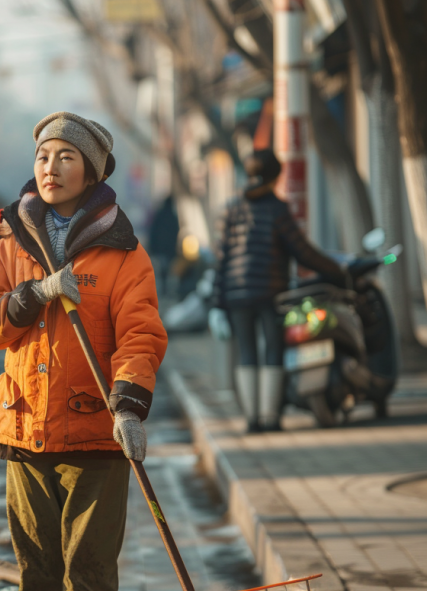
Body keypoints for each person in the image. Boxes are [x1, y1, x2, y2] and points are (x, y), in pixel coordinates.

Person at [0, 111, 167, 591]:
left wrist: (129, 403)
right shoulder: (11, 245)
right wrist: (34, 295)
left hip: (93, 439)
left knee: (88, 580)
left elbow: (140, 335)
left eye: (66, 158)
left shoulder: (121, 252)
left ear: (92, 172)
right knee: (39, 580)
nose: (50, 168)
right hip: (24, 436)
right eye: (44, 156)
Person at [209, 148, 345, 432]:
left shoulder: (230, 208)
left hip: (236, 295)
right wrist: (334, 270)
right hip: (271, 292)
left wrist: (217, 302)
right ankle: (270, 418)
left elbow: (221, 259)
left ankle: (252, 420)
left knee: (247, 352)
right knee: (274, 349)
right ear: (276, 175)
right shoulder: (277, 208)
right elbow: (301, 250)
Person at [148, 194, 179, 295]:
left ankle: (162, 290)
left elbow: (153, 232)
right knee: (166, 269)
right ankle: (165, 289)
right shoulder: (173, 216)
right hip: (169, 249)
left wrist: (152, 247)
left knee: (161, 268)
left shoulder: (159, 215)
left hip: (160, 248)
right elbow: (176, 232)